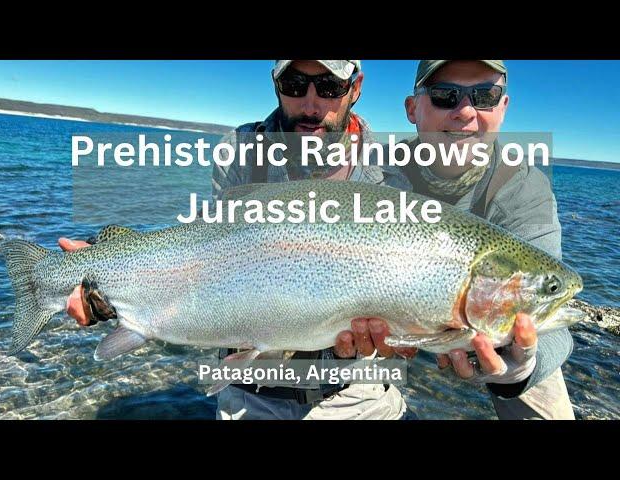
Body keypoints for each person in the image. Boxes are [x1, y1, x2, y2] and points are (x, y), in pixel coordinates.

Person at [58, 60, 568, 420]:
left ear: (355, 87)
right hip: (248, 390)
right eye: (295, 83)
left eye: (328, 87)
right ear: (276, 83)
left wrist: (503, 358)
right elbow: (202, 252)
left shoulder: (392, 174)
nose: (310, 102)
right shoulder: (240, 152)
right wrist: (112, 281)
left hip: (359, 394)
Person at [398, 60, 575, 419]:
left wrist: (520, 369)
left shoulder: (524, 188)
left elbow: (553, 328)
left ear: (503, 108)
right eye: (445, 96)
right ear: (412, 109)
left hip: (495, 330)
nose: (465, 112)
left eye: (484, 96)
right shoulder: (379, 174)